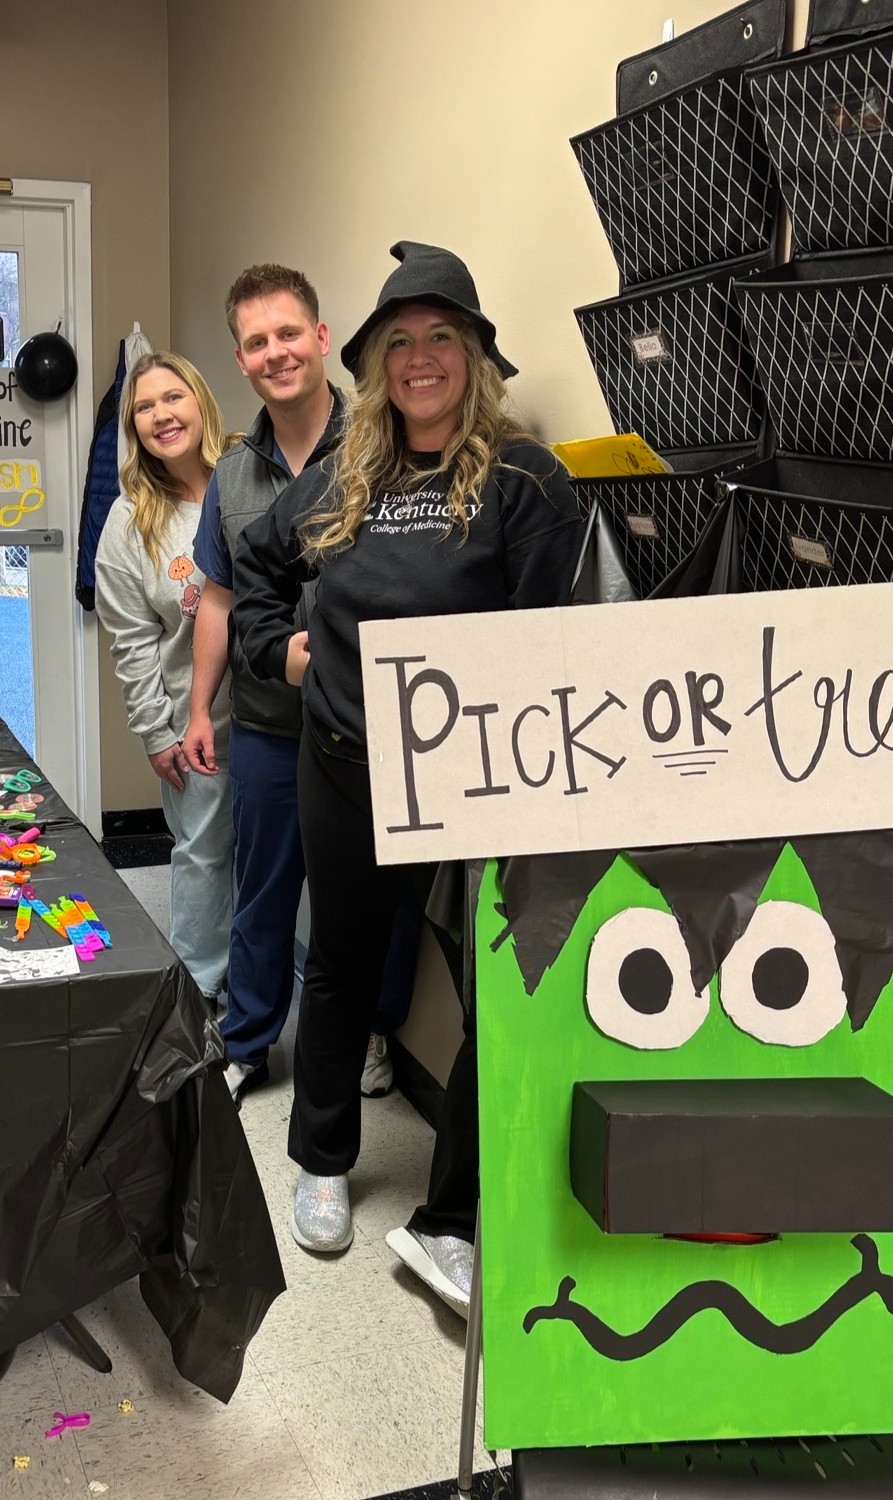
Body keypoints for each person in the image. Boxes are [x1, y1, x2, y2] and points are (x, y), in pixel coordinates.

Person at [234, 242, 586, 1308]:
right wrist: (281, 651)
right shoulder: (347, 476)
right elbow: (255, 566)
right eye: (402, 341)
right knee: (337, 967)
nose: (422, 358)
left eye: (444, 337)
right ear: (376, 361)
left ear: (476, 357)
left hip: (484, 783)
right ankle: (324, 1164)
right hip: (345, 763)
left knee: (499, 990)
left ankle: (452, 1221)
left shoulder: (528, 482)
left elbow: (552, 642)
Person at [183, 264, 415, 1104]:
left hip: (376, 729)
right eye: (256, 342)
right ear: (241, 363)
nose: (276, 352)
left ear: (321, 339)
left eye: (289, 333)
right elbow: (219, 596)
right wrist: (199, 707)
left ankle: (372, 1035)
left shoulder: (386, 447)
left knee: (375, 897)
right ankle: (247, 1040)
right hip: (274, 725)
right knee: (264, 890)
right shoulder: (235, 476)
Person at [95, 351, 235, 1002]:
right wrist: (157, 732)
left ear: (200, 400)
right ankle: (200, 994)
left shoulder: (249, 477)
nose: (160, 415)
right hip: (193, 725)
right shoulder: (130, 524)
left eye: (172, 397)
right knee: (203, 858)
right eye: (144, 407)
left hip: (283, 714)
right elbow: (132, 643)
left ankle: (264, 991)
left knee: (280, 864)